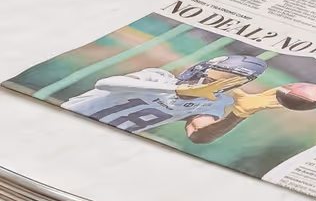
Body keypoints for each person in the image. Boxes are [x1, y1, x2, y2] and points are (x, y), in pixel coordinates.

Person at [60, 54, 285, 143]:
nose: (216, 83)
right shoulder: (158, 77)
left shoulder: (213, 103)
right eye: (218, 75)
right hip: (63, 120)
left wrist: (238, 115)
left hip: (98, 142)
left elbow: (199, 136)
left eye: (231, 81)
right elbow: (106, 84)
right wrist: (176, 91)